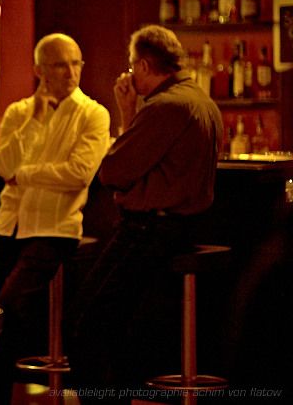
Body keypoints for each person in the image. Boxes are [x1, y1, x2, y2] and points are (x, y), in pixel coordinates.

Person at [67, 24, 223, 400]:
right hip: (181, 229)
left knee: (86, 324)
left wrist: (129, 113)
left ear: (144, 65)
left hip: (150, 231)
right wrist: (129, 112)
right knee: (118, 328)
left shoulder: (164, 106)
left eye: (132, 65)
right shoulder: (201, 101)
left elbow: (113, 172)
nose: (130, 74)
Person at [0, 34, 110, 404]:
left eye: (76, 63)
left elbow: (79, 174)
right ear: (40, 70)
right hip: (7, 224)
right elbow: (2, 166)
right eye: (60, 64)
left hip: (54, 229)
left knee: (7, 313)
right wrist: (36, 122)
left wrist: (24, 175)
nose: (71, 72)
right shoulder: (19, 113)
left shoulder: (93, 114)